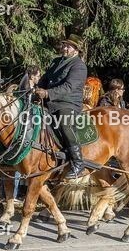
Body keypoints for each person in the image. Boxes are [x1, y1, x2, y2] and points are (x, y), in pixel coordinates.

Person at [35, 35, 89, 179]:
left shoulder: (79, 66)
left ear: (76, 50)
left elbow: (69, 87)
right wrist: (37, 89)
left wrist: (47, 93)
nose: (64, 48)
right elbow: (45, 79)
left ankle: (78, 164)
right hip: (49, 101)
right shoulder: (56, 61)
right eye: (64, 45)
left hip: (68, 103)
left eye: (68, 46)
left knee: (65, 123)